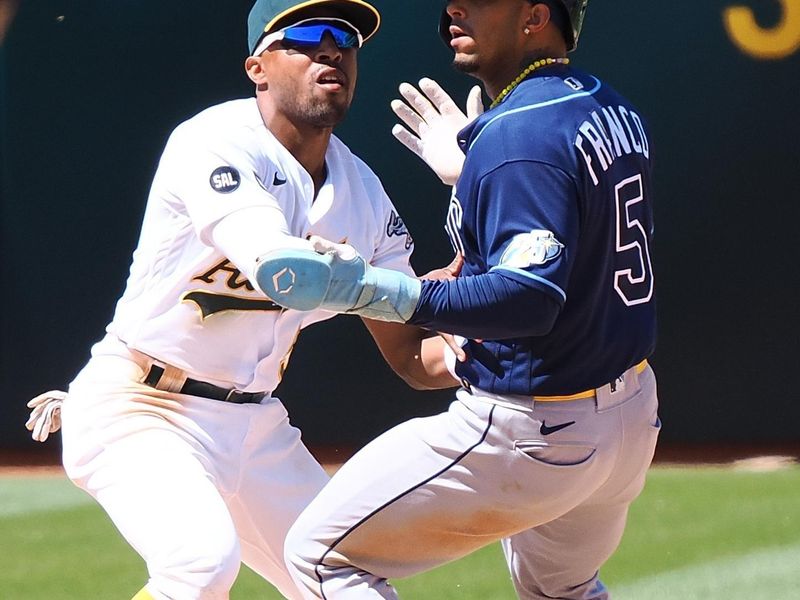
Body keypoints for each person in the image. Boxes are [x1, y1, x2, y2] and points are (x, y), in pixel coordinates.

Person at [25, 1, 461, 598]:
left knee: (348, 584)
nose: (331, 48)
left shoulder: (363, 194)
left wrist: (478, 326)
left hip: (255, 424)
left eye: (347, 37)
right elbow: (281, 268)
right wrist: (409, 292)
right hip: (142, 405)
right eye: (306, 35)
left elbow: (416, 359)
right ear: (257, 67)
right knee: (199, 566)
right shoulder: (215, 140)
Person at [257, 1, 662, 598]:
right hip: (630, 414)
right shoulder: (608, 106)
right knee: (563, 592)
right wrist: (474, 168)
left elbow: (529, 299)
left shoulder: (518, 134)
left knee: (319, 555)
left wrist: (380, 290)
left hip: (534, 428)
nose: (454, 7)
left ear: (534, 17)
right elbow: (572, 243)